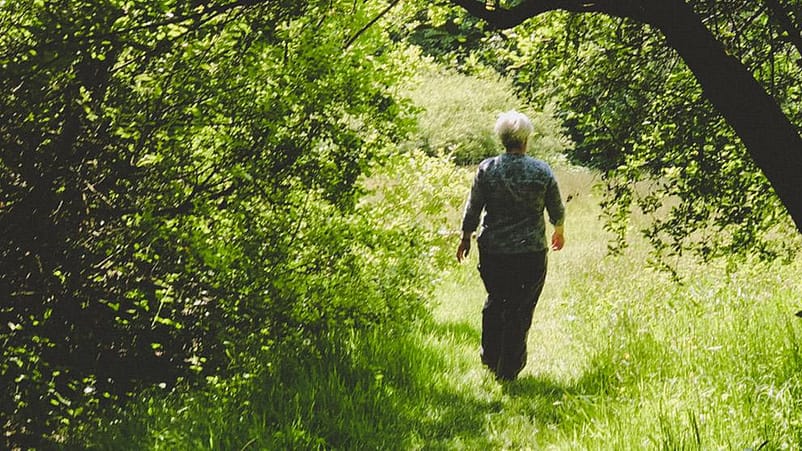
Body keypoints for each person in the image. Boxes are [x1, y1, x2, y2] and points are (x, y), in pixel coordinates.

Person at [456, 110, 565, 381]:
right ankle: (509, 370)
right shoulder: (541, 170)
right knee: (520, 308)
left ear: (502, 139)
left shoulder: (487, 169)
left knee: (496, 301)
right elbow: (556, 208)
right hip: (530, 253)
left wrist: (465, 236)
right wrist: (559, 230)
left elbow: (474, 207)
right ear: (526, 140)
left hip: (494, 250)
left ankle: (491, 356)